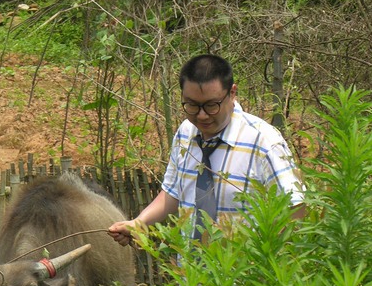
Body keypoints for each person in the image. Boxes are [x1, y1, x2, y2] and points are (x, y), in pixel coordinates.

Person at [108, 54, 304, 247]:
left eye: (211, 105)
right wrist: (138, 223)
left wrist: (266, 255)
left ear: (232, 93)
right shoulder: (186, 132)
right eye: (192, 105)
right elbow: (173, 193)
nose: (201, 116)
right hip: (189, 267)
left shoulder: (264, 142)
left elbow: (297, 209)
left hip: (241, 266)